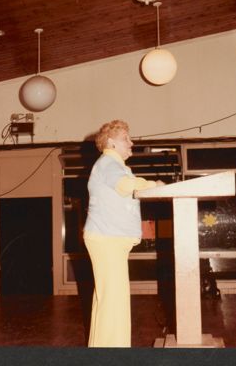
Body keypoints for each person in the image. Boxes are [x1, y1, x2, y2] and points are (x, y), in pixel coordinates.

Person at [83, 120, 164, 347]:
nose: (132, 142)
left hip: (106, 238)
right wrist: (153, 184)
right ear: (111, 142)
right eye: (126, 138)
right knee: (114, 302)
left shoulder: (111, 164)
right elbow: (124, 185)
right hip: (107, 239)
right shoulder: (109, 163)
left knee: (107, 300)